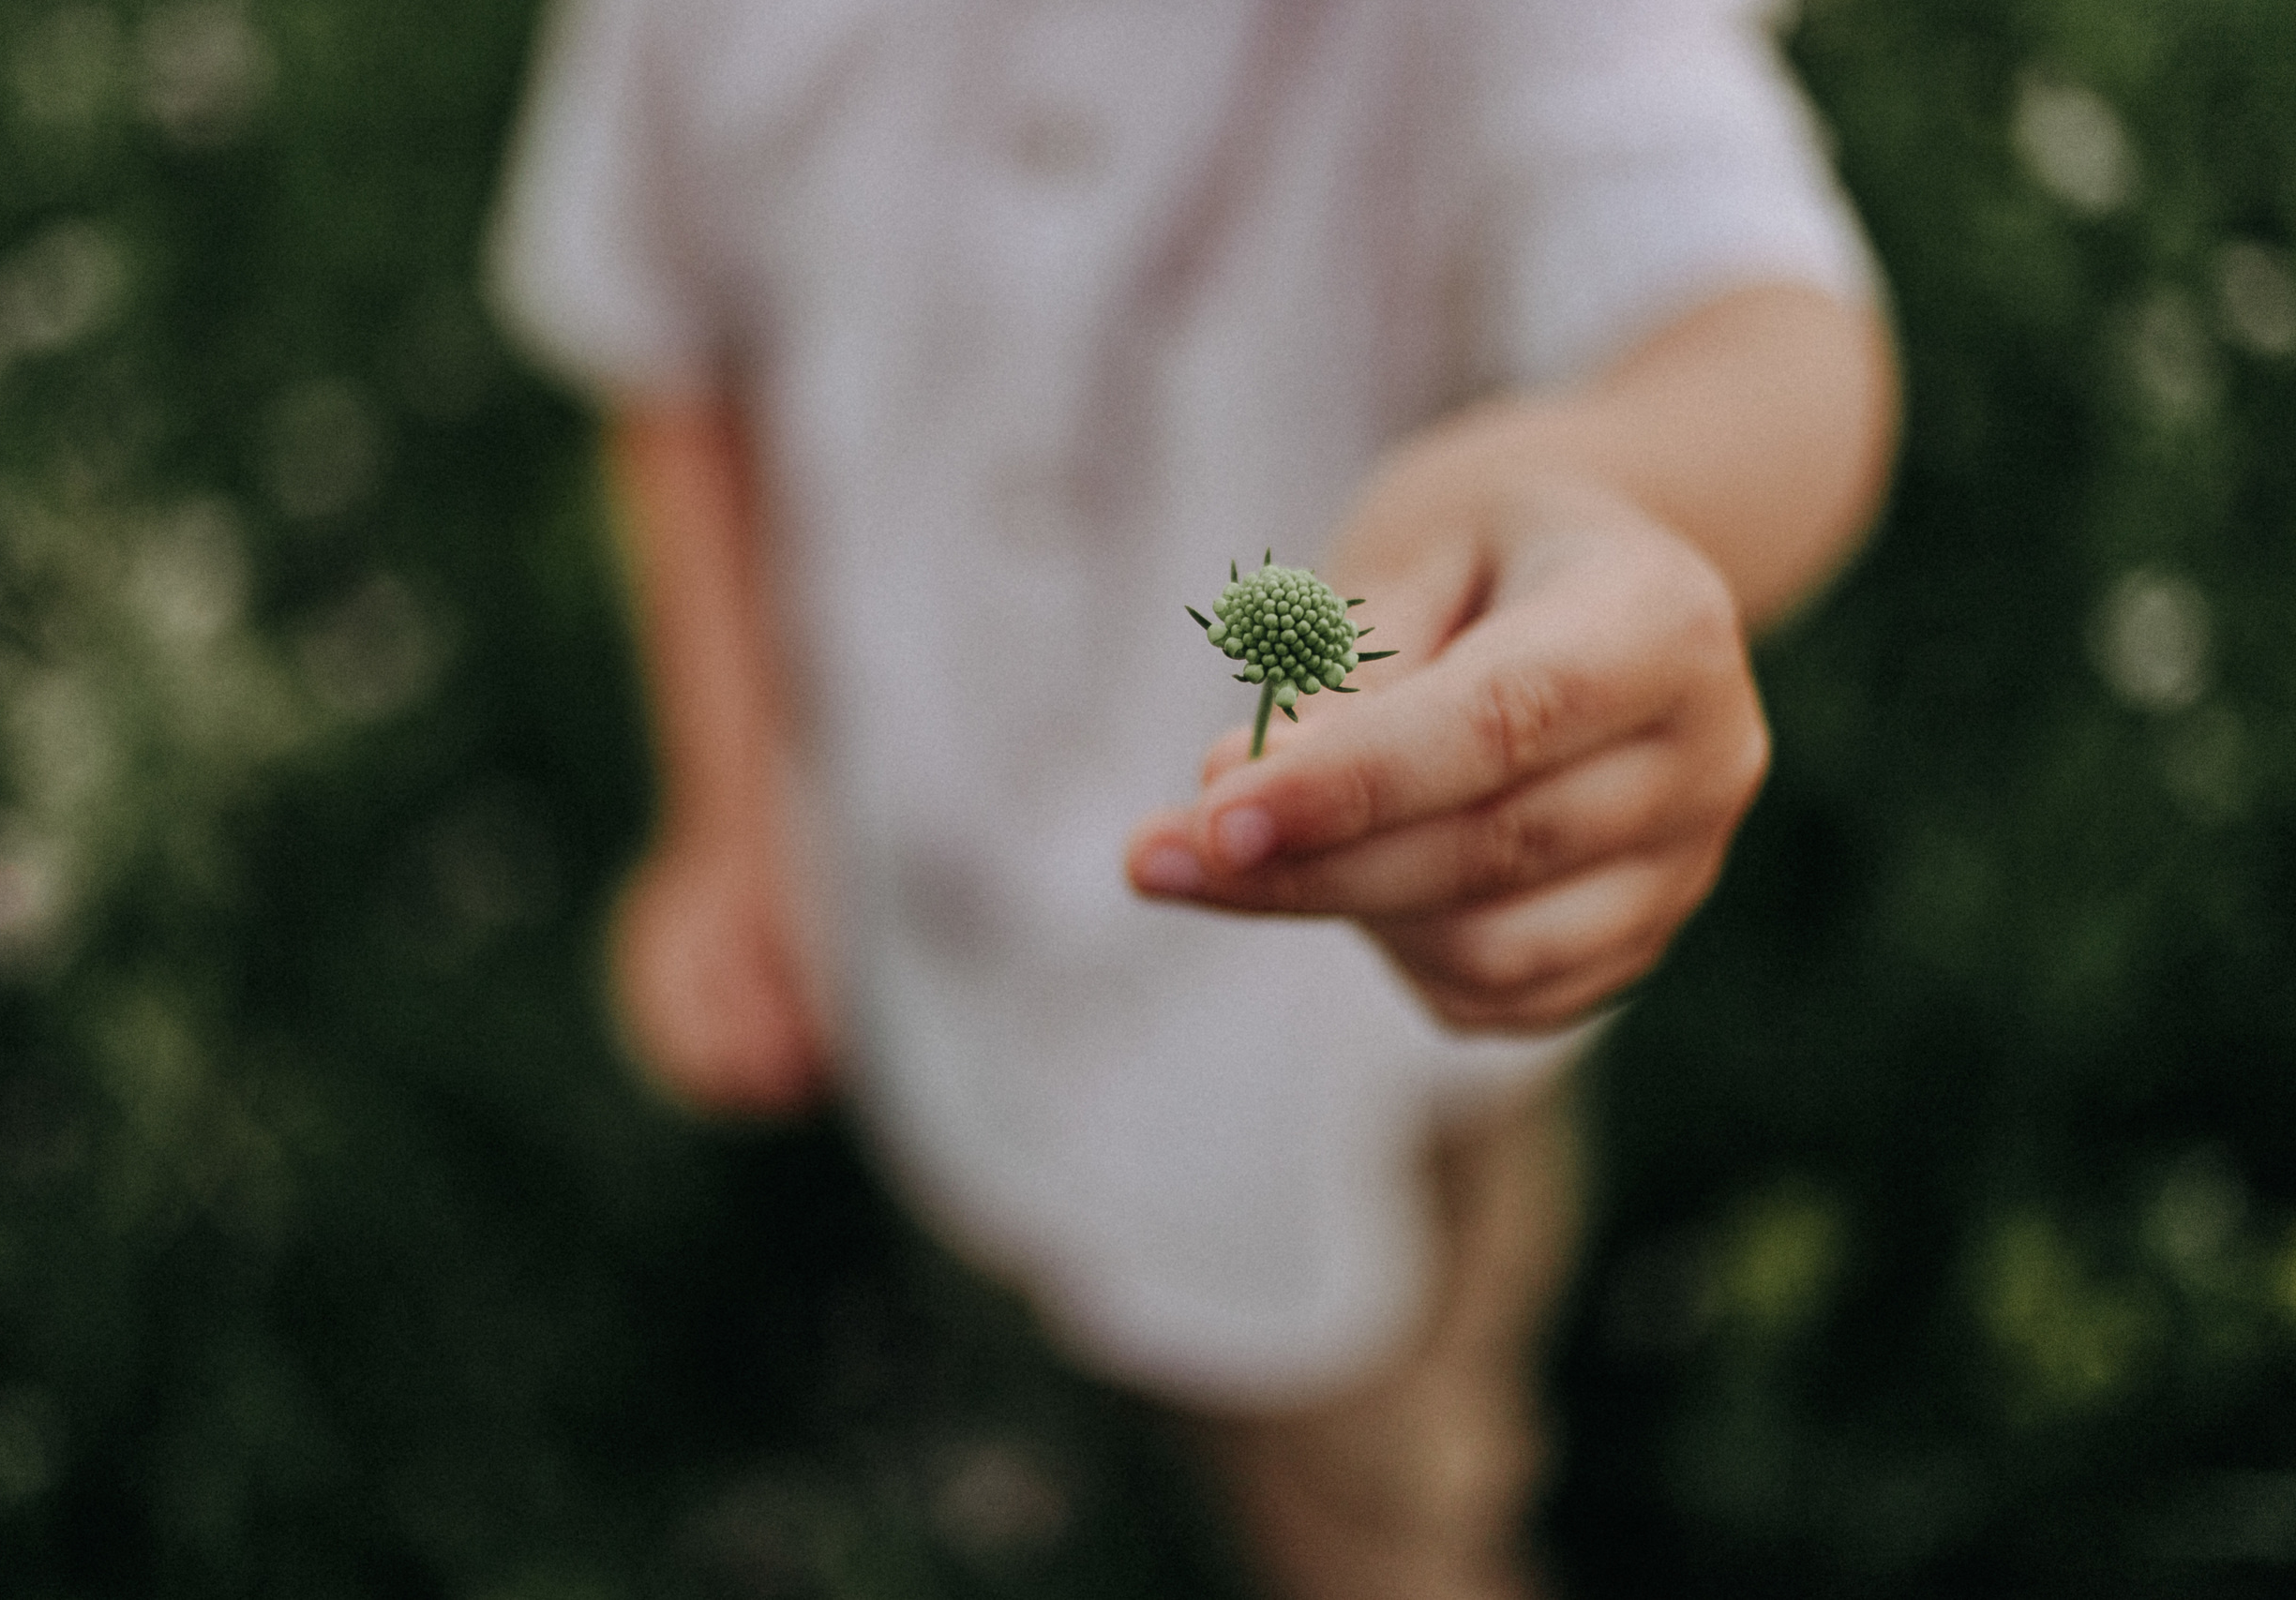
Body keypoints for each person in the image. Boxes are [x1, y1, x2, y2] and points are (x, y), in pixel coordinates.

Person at [488, 2, 1896, 1594]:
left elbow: (1761, 334)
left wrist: (1582, 511)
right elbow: (679, 347)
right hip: (932, 929)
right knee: (1031, 1269)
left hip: (1330, 1073)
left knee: (1376, 1492)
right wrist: (730, 824)